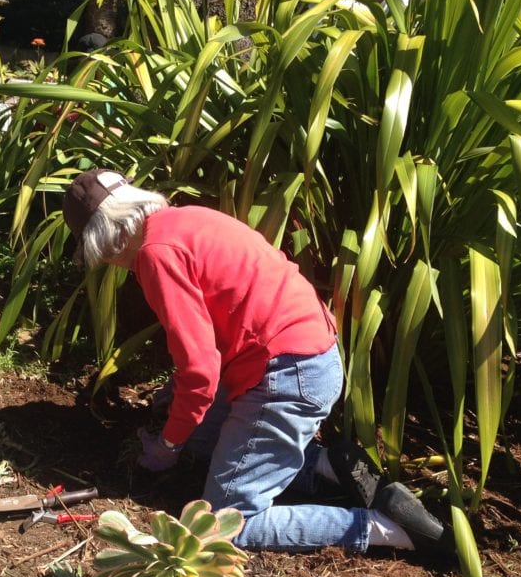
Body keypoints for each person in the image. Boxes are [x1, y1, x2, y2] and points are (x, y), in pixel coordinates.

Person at [63, 168, 451, 555]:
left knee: (226, 524)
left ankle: (384, 530)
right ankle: (325, 465)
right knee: (200, 444)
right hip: (311, 355)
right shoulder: (185, 220)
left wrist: (166, 444)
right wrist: (176, 408)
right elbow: (214, 332)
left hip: (284, 377)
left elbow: (200, 372)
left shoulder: (154, 255)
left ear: (107, 242)